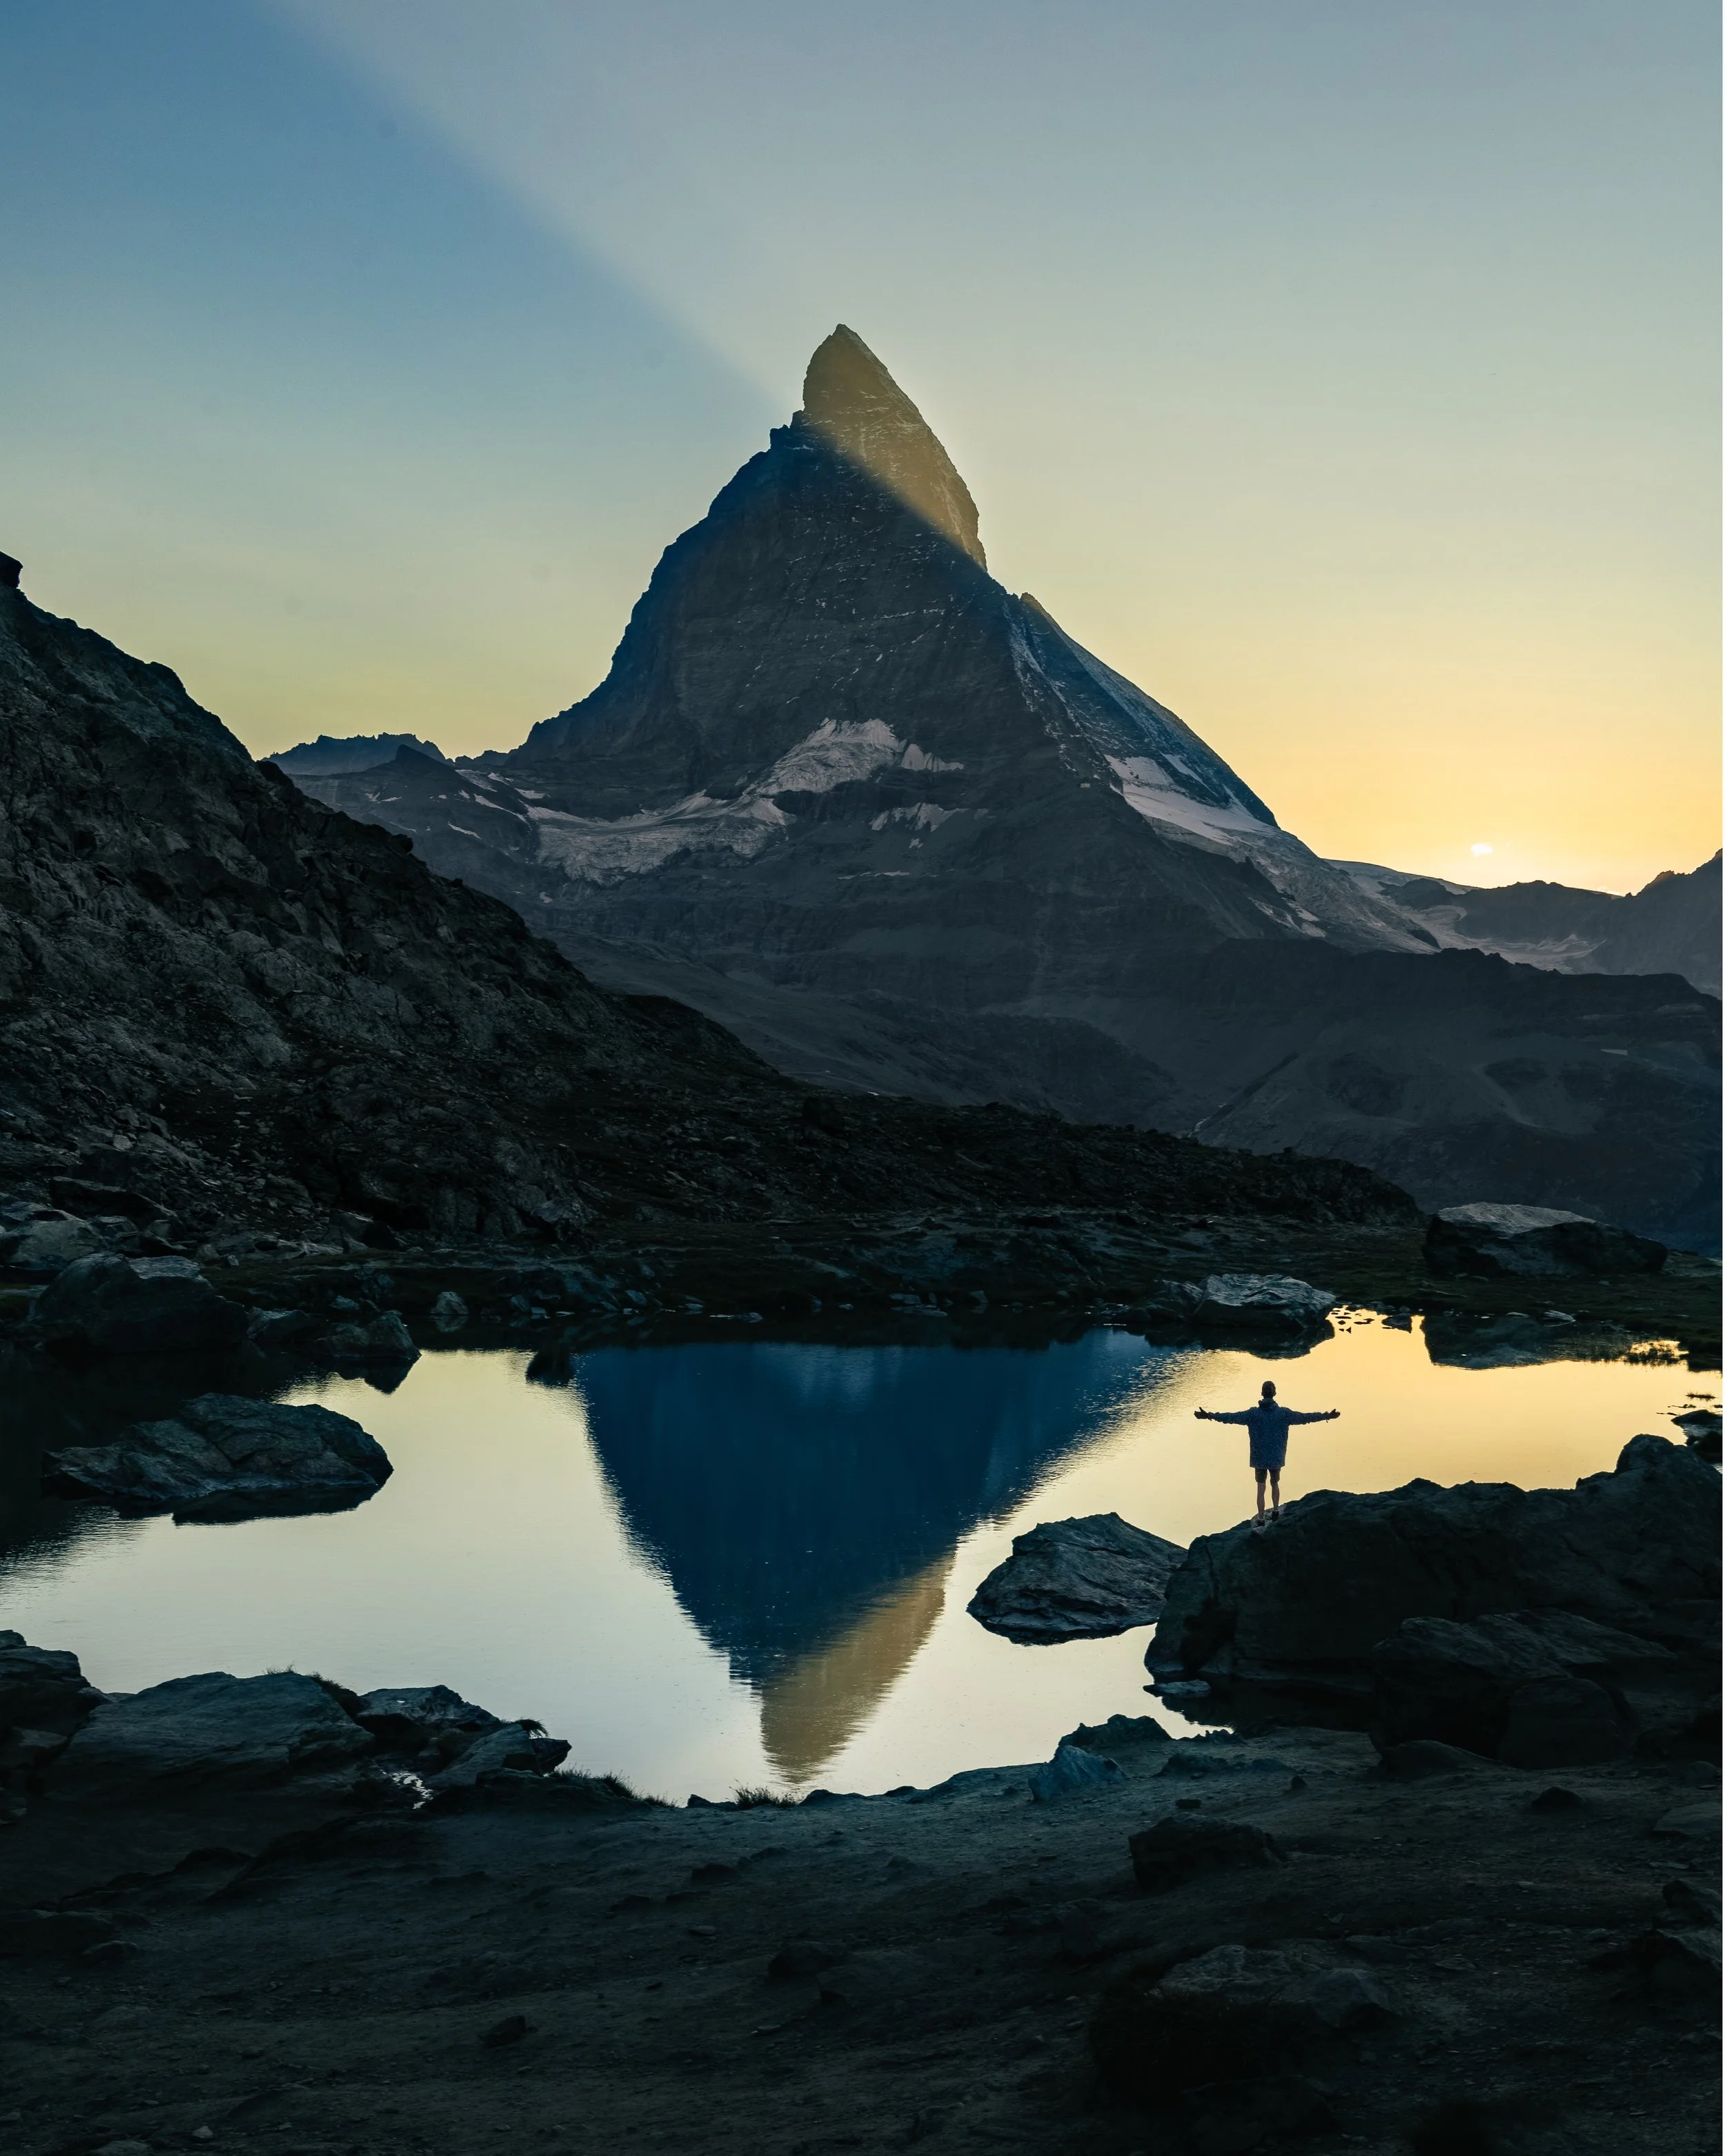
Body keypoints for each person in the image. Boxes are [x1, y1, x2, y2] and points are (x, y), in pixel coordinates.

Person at [1194, 1379, 1339, 1529]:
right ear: (1275, 1394)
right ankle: (1276, 1511)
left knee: (1261, 1486)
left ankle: (1262, 1518)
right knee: (1275, 1483)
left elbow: (1230, 1417)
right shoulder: (1284, 1414)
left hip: (1259, 1456)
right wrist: (1326, 1416)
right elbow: (1306, 1418)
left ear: (1262, 1394)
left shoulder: (1253, 1414)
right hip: (1276, 1455)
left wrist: (1209, 1415)